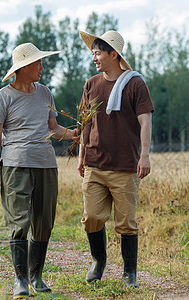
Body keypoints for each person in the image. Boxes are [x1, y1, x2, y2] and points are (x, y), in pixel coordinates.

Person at [0, 42, 76, 299]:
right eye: (38, 63)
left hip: (46, 164)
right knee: (19, 222)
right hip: (15, 166)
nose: (42, 68)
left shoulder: (45, 93)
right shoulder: (1, 98)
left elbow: (53, 128)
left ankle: (36, 277)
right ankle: (21, 280)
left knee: (44, 222)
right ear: (24, 67)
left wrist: (72, 134)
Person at [77, 29, 154, 288]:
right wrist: (81, 156)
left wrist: (144, 156)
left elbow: (145, 122)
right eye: (93, 53)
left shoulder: (135, 84)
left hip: (125, 166)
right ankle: (98, 262)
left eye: (98, 53)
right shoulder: (91, 84)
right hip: (95, 164)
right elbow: (85, 124)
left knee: (126, 223)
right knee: (92, 218)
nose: (94, 58)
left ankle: (129, 273)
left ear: (114, 54)